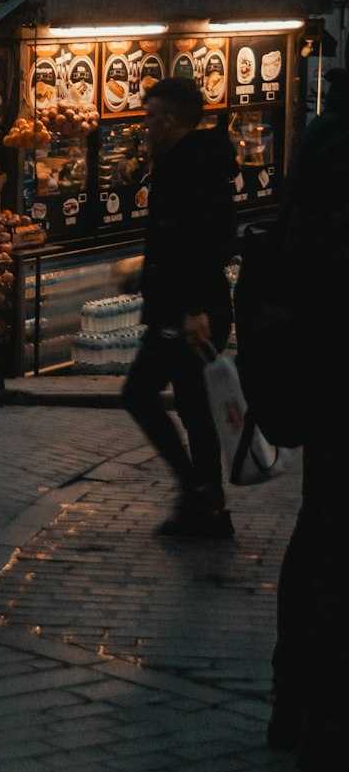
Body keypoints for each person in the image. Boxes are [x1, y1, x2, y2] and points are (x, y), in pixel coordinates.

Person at [268, 58, 349, 772]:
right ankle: (323, 718)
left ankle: (297, 706)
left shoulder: (324, 134)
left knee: (323, 529)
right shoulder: (338, 145)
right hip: (337, 364)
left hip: (323, 368)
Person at [122, 76, 237, 538]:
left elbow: (207, 240)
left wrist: (193, 308)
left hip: (188, 312)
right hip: (183, 305)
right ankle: (208, 508)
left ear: (169, 121)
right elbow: (179, 239)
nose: (144, 125)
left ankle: (198, 495)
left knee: (138, 394)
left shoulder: (193, 167)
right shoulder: (183, 161)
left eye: (149, 117)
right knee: (193, 408)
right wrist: (145, 274)